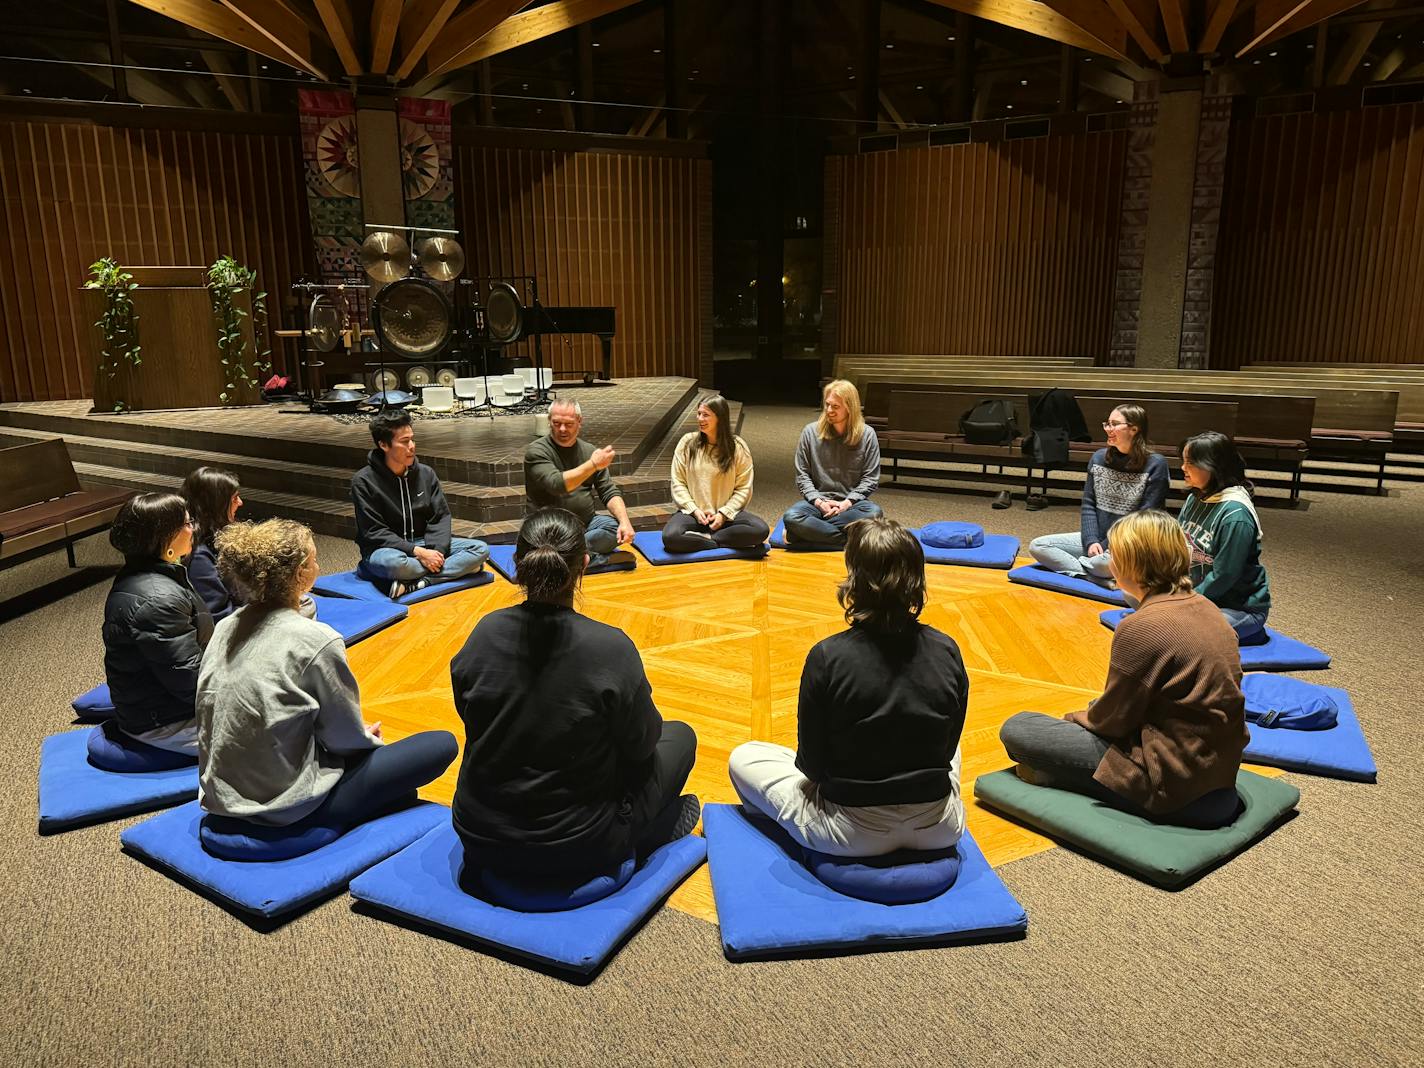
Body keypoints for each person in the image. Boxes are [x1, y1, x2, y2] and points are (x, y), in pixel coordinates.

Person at [450, 508, 699, 883]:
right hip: (577, 849)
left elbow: (470, 717)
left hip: (480, 837)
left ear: (517, 563)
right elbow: (642, 744)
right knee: (680, 737)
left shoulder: (483, 632)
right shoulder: (610, 648)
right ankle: (646, 836)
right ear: (583, 564)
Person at [196, 519, 457, 831]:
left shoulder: (225, 627)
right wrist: (365, 737)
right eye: (315, 559)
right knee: (441, 745)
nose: (319, 565)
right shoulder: (317, 640)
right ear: (300, 574)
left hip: (219, 797)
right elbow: (345, 741)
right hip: (284, 808)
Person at [728, 517, 967, 857]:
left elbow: (811, 766)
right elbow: (947, 748)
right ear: (918, 578)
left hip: (850, 833)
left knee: (746, 756)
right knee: (954, 752)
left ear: (854, 580)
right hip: (939, 828)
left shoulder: (828, 656)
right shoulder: (947, 649)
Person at [1000, 509, 1248, 828]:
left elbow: (1110, 721)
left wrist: (1075, 720)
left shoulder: (1141, 626)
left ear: (1134, 563)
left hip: (1173, 787)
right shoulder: (1209, 610)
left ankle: (1079, 779)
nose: (1108, 560)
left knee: (1020, 727)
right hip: (1219, 777)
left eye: (1113, 553)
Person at [102, 492, 212, 755]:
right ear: (165, 537)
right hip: (166, 723)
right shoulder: (157, 599)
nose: (193, 528)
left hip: (164, 707)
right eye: (186, 523)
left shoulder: (149, 573)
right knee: (286, 727)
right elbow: (192, 684)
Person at [351, 410, 489, 600]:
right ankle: (457, 570)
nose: (412, 446)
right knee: (394, 564)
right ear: (383, 444)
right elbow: (374, 532)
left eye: (412, 439)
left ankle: (417, 583)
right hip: (387, 551)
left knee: (480, 549)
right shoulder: (364, 481)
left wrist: (436, 553)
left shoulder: (426, 474)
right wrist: (417, 552)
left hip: (424, 543)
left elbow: (440, 517)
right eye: (404, 441)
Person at [1028, 404, 1169, 586]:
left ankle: (1091, 570)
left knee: (1103, 564)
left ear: (1134, 429)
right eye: (1107, 424)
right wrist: (1091, 541)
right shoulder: (1099, 458)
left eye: (1114, 424)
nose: (1108, 429)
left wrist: (1105, 545)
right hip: (1097, 541)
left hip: (1130, 544)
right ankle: (1094, 578)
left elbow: (1142, 517)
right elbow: (1088, 504)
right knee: (1038, 546)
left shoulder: (1156, 464)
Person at [182, 465, 315, 622]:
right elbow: (219, 616)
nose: (240, 502)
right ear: (216, 505)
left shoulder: (221, 538)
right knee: (303, 607)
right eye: (234, 498)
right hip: (238, 626)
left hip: (250, 609)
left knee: (304, 601)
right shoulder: (199, 558)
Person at [1178, 430, 1271, 640]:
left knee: (1179, 631)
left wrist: (1183, 602)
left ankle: (1248, 631)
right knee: (1138, 598)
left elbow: (1224, 576)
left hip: (1237, 608)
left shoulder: (1236, 515)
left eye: (1190, 462)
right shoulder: (1195, 498)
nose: (1183, 468)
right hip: (1198, 598)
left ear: (1213, 465)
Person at [523, 398, 636, 566]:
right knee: (545, 546)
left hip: (585, 524)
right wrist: (592, 465)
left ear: (579, 422)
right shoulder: (536, 451)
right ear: (549, 421)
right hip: (549, 528)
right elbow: (556, 485)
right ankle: (594, 559)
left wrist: (625, 522)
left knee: (615, 529)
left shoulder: (589, 451)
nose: (562, 429)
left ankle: (566, 560)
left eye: (568, 424)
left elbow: (608, 491)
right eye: (556, 423)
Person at [661, 395, 770, 553]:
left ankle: (709, 540)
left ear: (720, 418)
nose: (700, 418)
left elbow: (743, 488)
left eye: (705, 415)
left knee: (760, 530)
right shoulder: (687, 443)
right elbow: (678, 483)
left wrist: (723, 514)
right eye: (698, 413)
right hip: (694, 514)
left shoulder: (738, 447)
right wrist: (695, 510)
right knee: (670, 537)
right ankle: (718, 542)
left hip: (725, 516)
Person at [782, 379, 883, 546]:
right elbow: (803, 476)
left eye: (835, 407)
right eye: (827, 404)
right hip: (817, 503)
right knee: (792, 517)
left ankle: (801, 535)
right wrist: (819, 502)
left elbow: (870, 479)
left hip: (853, 505)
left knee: (874, 513)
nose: (829, 410)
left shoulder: (867, 435)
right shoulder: (809, 432)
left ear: (850, 408)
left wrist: (846, 504)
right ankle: (848, 539)